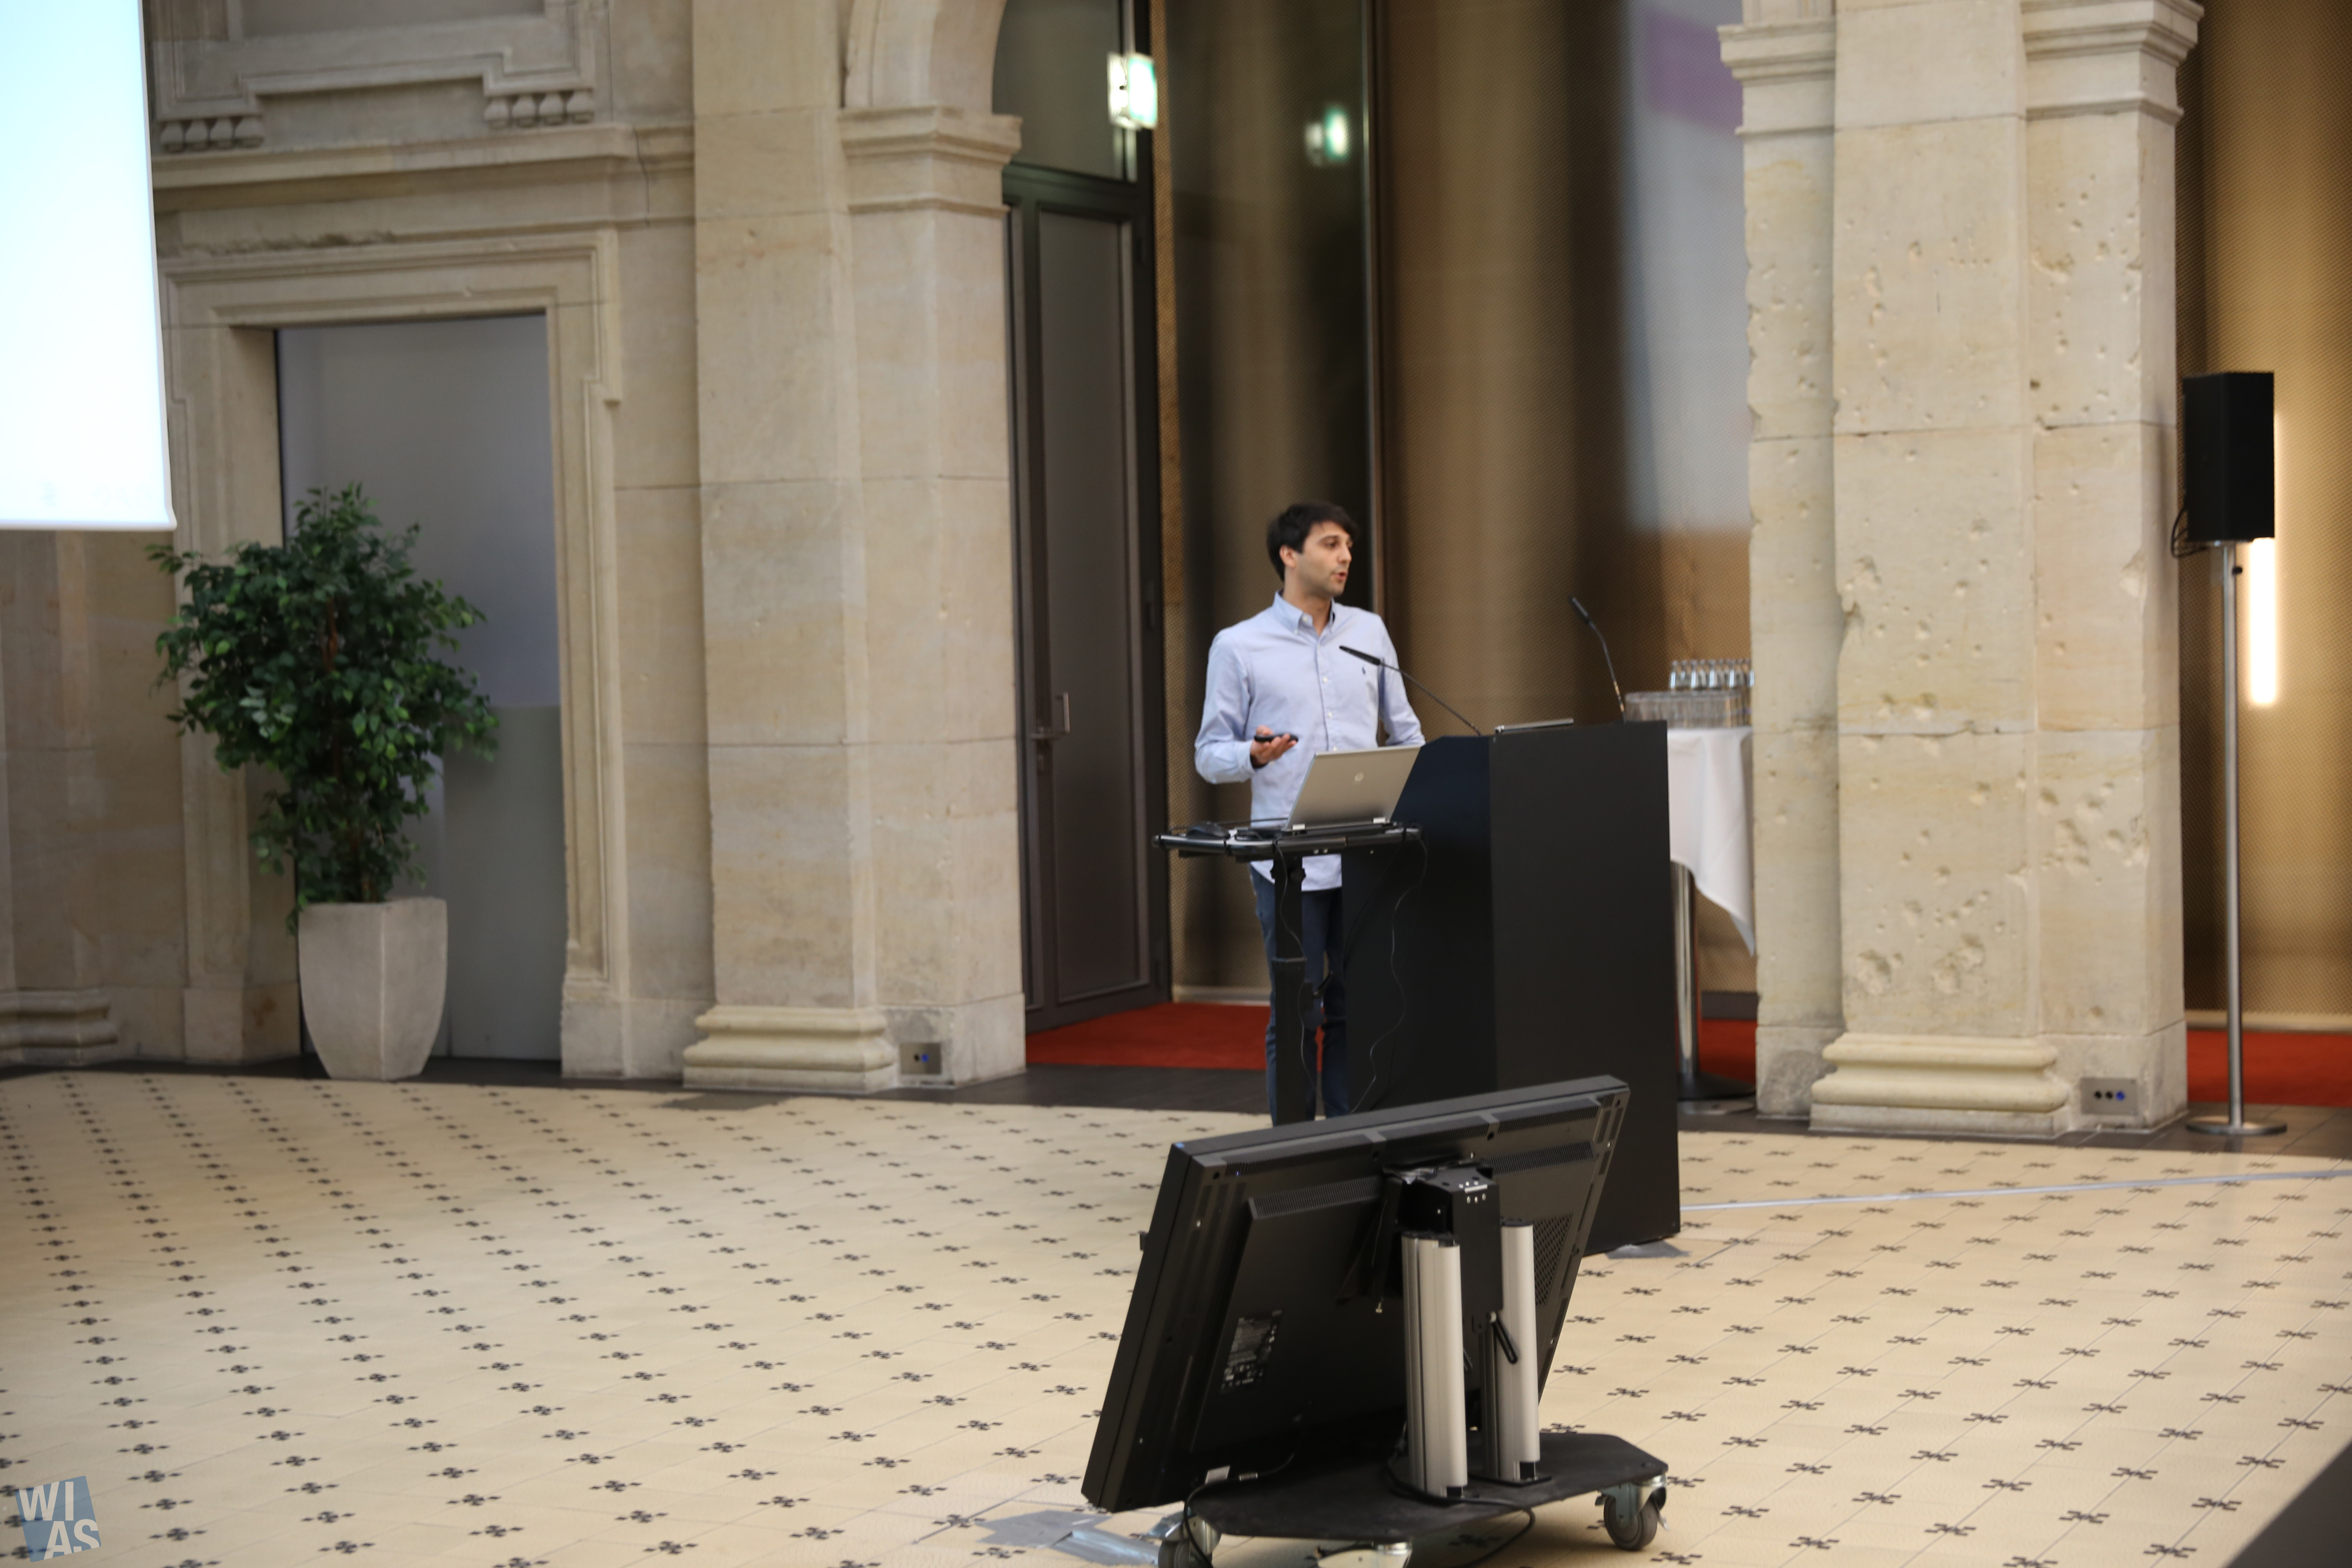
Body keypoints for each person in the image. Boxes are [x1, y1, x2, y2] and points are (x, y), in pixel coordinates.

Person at [1194, 501, 1423, 1119]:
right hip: (1288, 864)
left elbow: (1406, 734)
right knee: (1298, 1008)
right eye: (1330, 544)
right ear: (1289, 556)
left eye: (1348, 545)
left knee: (1358, 1005)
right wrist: (1254, 754)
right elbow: (1209, 756)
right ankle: (1294, 1145)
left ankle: (1350, 1134)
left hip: (1365, 853)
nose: (1345, 556)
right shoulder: (1239, 645)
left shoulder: (1369, 633)